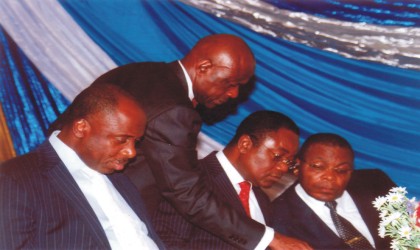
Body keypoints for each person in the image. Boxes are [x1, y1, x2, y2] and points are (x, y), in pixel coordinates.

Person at [91, 34, 311, 249]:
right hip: (102, 221)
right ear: (204, 67)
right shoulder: (176, 109)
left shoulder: (135, 71)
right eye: (230, 83)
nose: (234, 94)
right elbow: (184, 191)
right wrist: (269, 238)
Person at [0, 84, 164, 249]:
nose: (131, 152)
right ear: (81, 128)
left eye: (135, 141)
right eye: (121, 140)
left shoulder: (118, 175)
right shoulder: (15, 179)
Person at [153, 110, 301, 249]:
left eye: (288, 162)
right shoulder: (190, 180)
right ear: (245, 144)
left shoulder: (263, 201)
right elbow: (167, 243)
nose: (283, 168)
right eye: (277, 156)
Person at [271, 133, 395, 249]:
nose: (330, 177)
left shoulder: (375, 183)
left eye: (341, 170)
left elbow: (409, 228)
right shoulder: (277, 219)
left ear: (351, 171)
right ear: (297, 166)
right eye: (318, 167)